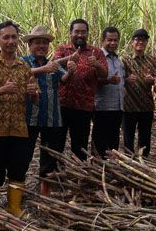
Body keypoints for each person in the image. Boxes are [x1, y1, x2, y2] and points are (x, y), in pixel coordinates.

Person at [0, 21, 38, 215]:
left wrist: (33, 93)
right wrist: (2, 90)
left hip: (19, 127)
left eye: (14, 37)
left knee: (18, 170)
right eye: (6, 37)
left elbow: (35, 97)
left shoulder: (24, 67)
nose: (11, 41)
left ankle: (14, 209)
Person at [54, 19, 107, 160]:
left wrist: (96, 64)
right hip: (61, 106)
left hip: (84, 108)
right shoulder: (62, 50)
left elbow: (104, 74)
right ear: (71, 33)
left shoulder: (96, 52)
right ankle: (55, 175)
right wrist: (69, 58)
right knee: (56, 144)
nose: (80, 35)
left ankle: (79, 177)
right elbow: (52, 65)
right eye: (76, 31)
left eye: (83, 32)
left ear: (87, 34)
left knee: (80, 147)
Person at [22, 25, 65, 196]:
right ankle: (19, 188)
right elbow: (22, 74)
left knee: (49, 156)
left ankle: (45, 190)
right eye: (37, 43)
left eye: (45, 43)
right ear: (30, 45)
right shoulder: (23, 62)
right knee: (24, 155)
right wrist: (43, 70)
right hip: (28, 118)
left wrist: (72, 70)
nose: (41, 46)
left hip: (51, 118)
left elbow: (65, 78)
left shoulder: (53, 64)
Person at [122, 29, 156, 157]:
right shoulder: (125, 60)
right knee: (128, 136)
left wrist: (153, 80)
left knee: (145, 136)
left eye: (143, 40)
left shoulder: (152, 60)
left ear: (147, 42)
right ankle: (128, 160)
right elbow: (118, 79)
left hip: (146, 105)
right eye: (137, 39)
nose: (140, 42)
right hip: (129, 105)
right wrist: (126, 80)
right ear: (132, 42)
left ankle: (144, 161)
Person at [92, 26, 124, 157]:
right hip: (102, 108)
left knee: (113, 143)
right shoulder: (97, 58)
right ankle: (97, 170)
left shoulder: (118, 60)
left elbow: (121, 81)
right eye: (109, 40)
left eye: (115, 40)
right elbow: (92, 81)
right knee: (99, 142)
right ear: (102, 40)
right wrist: (109, 80)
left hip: (117, 107)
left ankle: (111, 170)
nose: (113, 43)